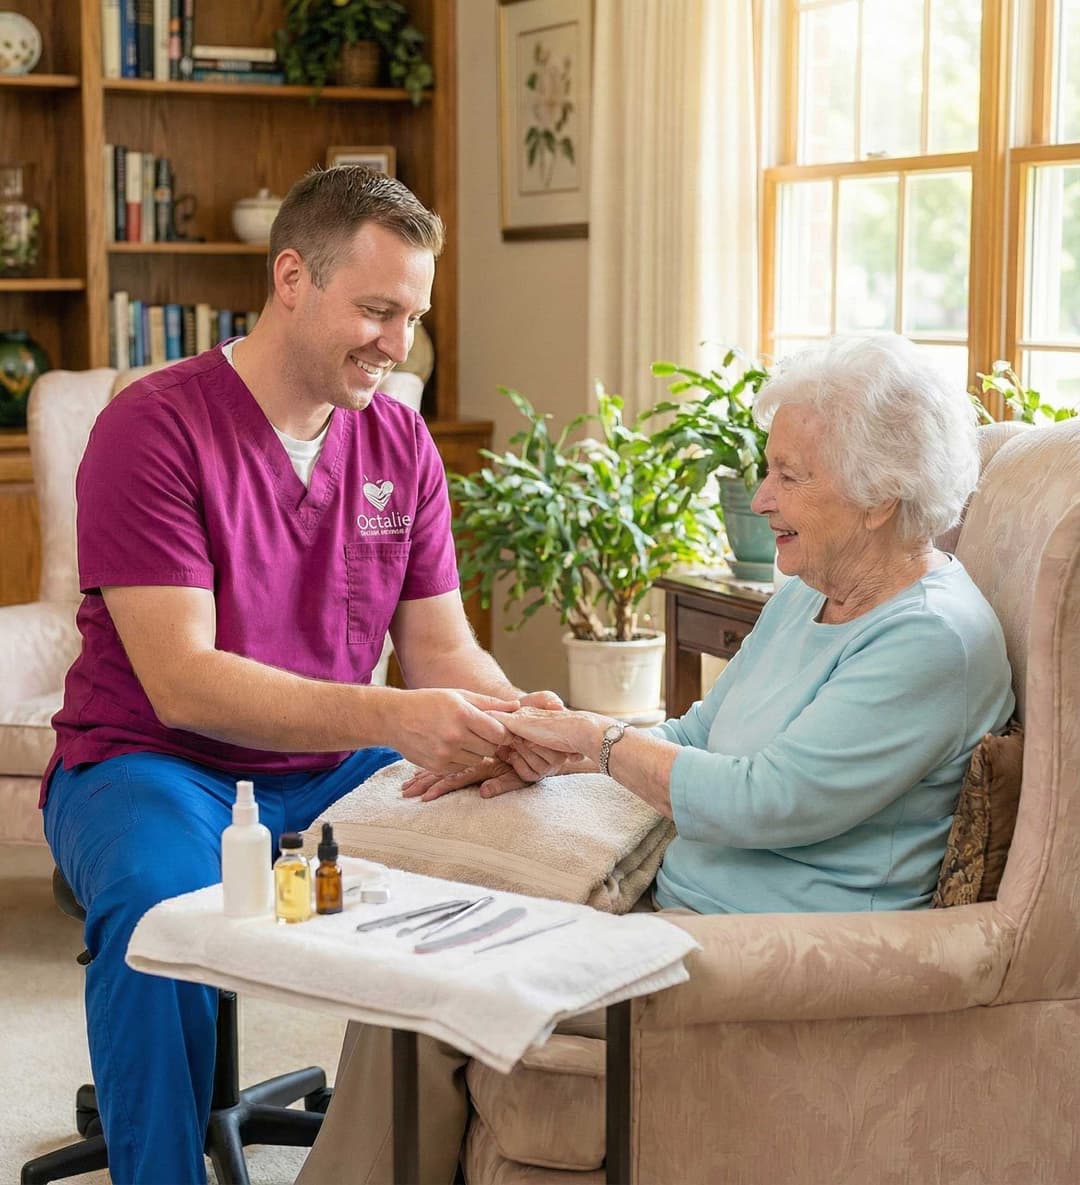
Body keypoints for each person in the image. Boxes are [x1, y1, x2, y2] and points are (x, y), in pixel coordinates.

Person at [300, 332, 1015, 1183]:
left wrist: (601, 745)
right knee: (419, 952)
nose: (761, 495)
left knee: (444, 972)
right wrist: (557, 742)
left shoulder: (930, 639)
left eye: (791, 476)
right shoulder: (811, 593)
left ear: (878, 496)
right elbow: (701, 732)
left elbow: (763, 799)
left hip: (763, 954)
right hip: (672, 905)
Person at [40, 166, 562, 1185]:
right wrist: (402, 715)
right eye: (374, 310)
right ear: (290, 277)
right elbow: (183, 681)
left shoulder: (399, 437)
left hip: (329, 763)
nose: (396, 344)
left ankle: (412, 1156)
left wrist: (513, 715)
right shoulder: (152, 428)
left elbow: (441, 646)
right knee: (158, 905)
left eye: (410, 315)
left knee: (518, 837)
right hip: (153, 760)